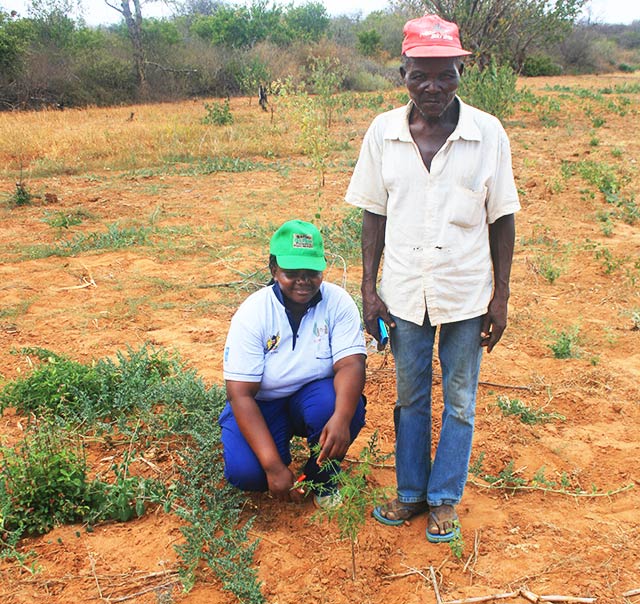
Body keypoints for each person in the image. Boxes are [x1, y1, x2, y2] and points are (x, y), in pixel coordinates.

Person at [345, 15, 520, 542]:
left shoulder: (487, 133)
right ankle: (411, 492)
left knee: (461, 398)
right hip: (402, 291)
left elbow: (502, 216)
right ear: (403, 73)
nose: (434, 88)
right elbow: (372, 213)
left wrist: (501, 295)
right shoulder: (384, 133)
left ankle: (445, 499)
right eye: (422, 75)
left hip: (466, 291)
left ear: (462, 72)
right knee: (409, 396)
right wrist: (369, 291)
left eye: (446, 75)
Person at [219, 219, 367, 508]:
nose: (303, 280)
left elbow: (351, 365)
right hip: (262, 404)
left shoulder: (338, 303)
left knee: (339, 407)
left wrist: (341, 418)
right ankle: (277, 455)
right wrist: (274, 467)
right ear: (274, 270)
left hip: (311, 399)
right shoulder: (253, 313)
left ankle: (321, 478)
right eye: (291, 272)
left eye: (311, 272)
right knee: (247, 474)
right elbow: (240, 393)